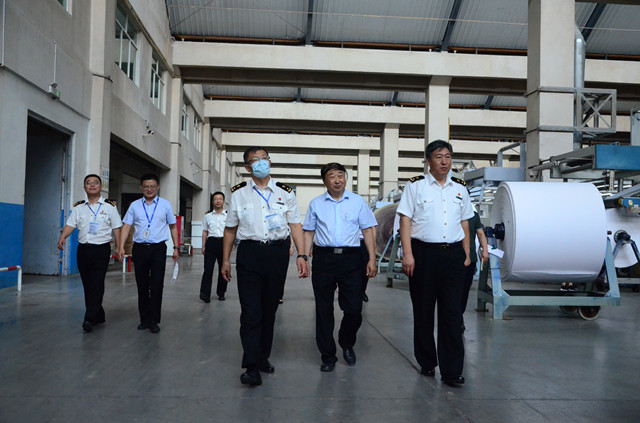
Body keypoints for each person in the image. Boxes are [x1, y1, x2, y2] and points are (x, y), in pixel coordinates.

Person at [221, 146, 308, 387]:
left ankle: (262, 357)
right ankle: (251, 367)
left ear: (270, 161)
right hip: (250, 253)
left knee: (269, 310)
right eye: (255, 160)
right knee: (251, 312)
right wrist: (226, 259)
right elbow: (230, 229)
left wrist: (302, 255)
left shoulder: (285, 192)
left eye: (264, 158)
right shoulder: (239, 194)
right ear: (248, 167)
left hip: (277, 254)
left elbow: (295, 225)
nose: (261, 162)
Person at [396, 139, 474, 386]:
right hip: (423, 255)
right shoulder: (415, 186)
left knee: (452, 313)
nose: (444, 161)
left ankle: (452, 371)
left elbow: (465, 221)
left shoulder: (460, 188)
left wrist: (467, 253)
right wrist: (408, 254)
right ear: (428, 161)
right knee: (424, 310)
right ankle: (427, 361)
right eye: (439, 157)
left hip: (453, 255)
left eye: (448, 157)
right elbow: (405, 220)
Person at [302, 163, 377, 372]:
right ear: (325, 181)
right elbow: (309, 231)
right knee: (323, 309)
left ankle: (347, 341)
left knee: (353, 308)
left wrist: (372, 258)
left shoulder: (357, 202)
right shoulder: (316, 203)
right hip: (324, 259)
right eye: (332, 176)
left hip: (352, 259)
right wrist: (304, 256)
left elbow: (368, 230)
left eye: (341, 175)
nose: (337, 180)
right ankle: (328, 356)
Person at [58, 174, 122, 332]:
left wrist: (119, 247)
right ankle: (99, 314)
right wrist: (62, 237)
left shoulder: (110, 206)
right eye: (88, 183)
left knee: (96, 283)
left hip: (101, 249)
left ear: (101, 187)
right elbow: (70, 224)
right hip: (84, 250)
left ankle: (89, 318)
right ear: (84, 187)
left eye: (95, 183)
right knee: (87, 284)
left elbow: (116, 227)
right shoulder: (79, 207)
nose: (92, 185)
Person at [117, 174, 179, 334]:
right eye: (146, 186)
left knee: (157, 284)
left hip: (158, 249)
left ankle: (154, 320)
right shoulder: (134, 205)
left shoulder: (165, 205)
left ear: (157, 187)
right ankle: (144, 319)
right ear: (141, 188)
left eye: (152, 186)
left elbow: (173, 226)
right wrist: (120, 246)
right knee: (142, 284)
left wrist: (176, 247)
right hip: (140, 249)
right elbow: (126, 226)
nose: (149, 189)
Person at [460, 209, 489, 331]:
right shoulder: (450, 211)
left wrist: (485, 250)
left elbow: (480, 233)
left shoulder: (473, 215)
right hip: (454, 259)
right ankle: (455, 319)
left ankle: (458, 318)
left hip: (468, 259)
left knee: (463, 290)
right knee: (455, 291)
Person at [199, 191, 228, 302]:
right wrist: (203, 246)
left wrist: (231, 245)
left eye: (220, 199)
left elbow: (231, 231)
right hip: (211, 243)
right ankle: (205, 294)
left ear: (223, 201)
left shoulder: (228, 216)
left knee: (223, 269)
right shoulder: (207, 216)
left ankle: (221, 292)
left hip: (224, 243)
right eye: (216, 199)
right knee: (208, 269)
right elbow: (205, 232)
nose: (218, 201)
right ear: (212, 202)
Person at [359, 226, 377, 302]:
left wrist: (373, 242)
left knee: (365, 270)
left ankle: (362, 291)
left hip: (364, 241)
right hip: (349, 242)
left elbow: (372, 227)